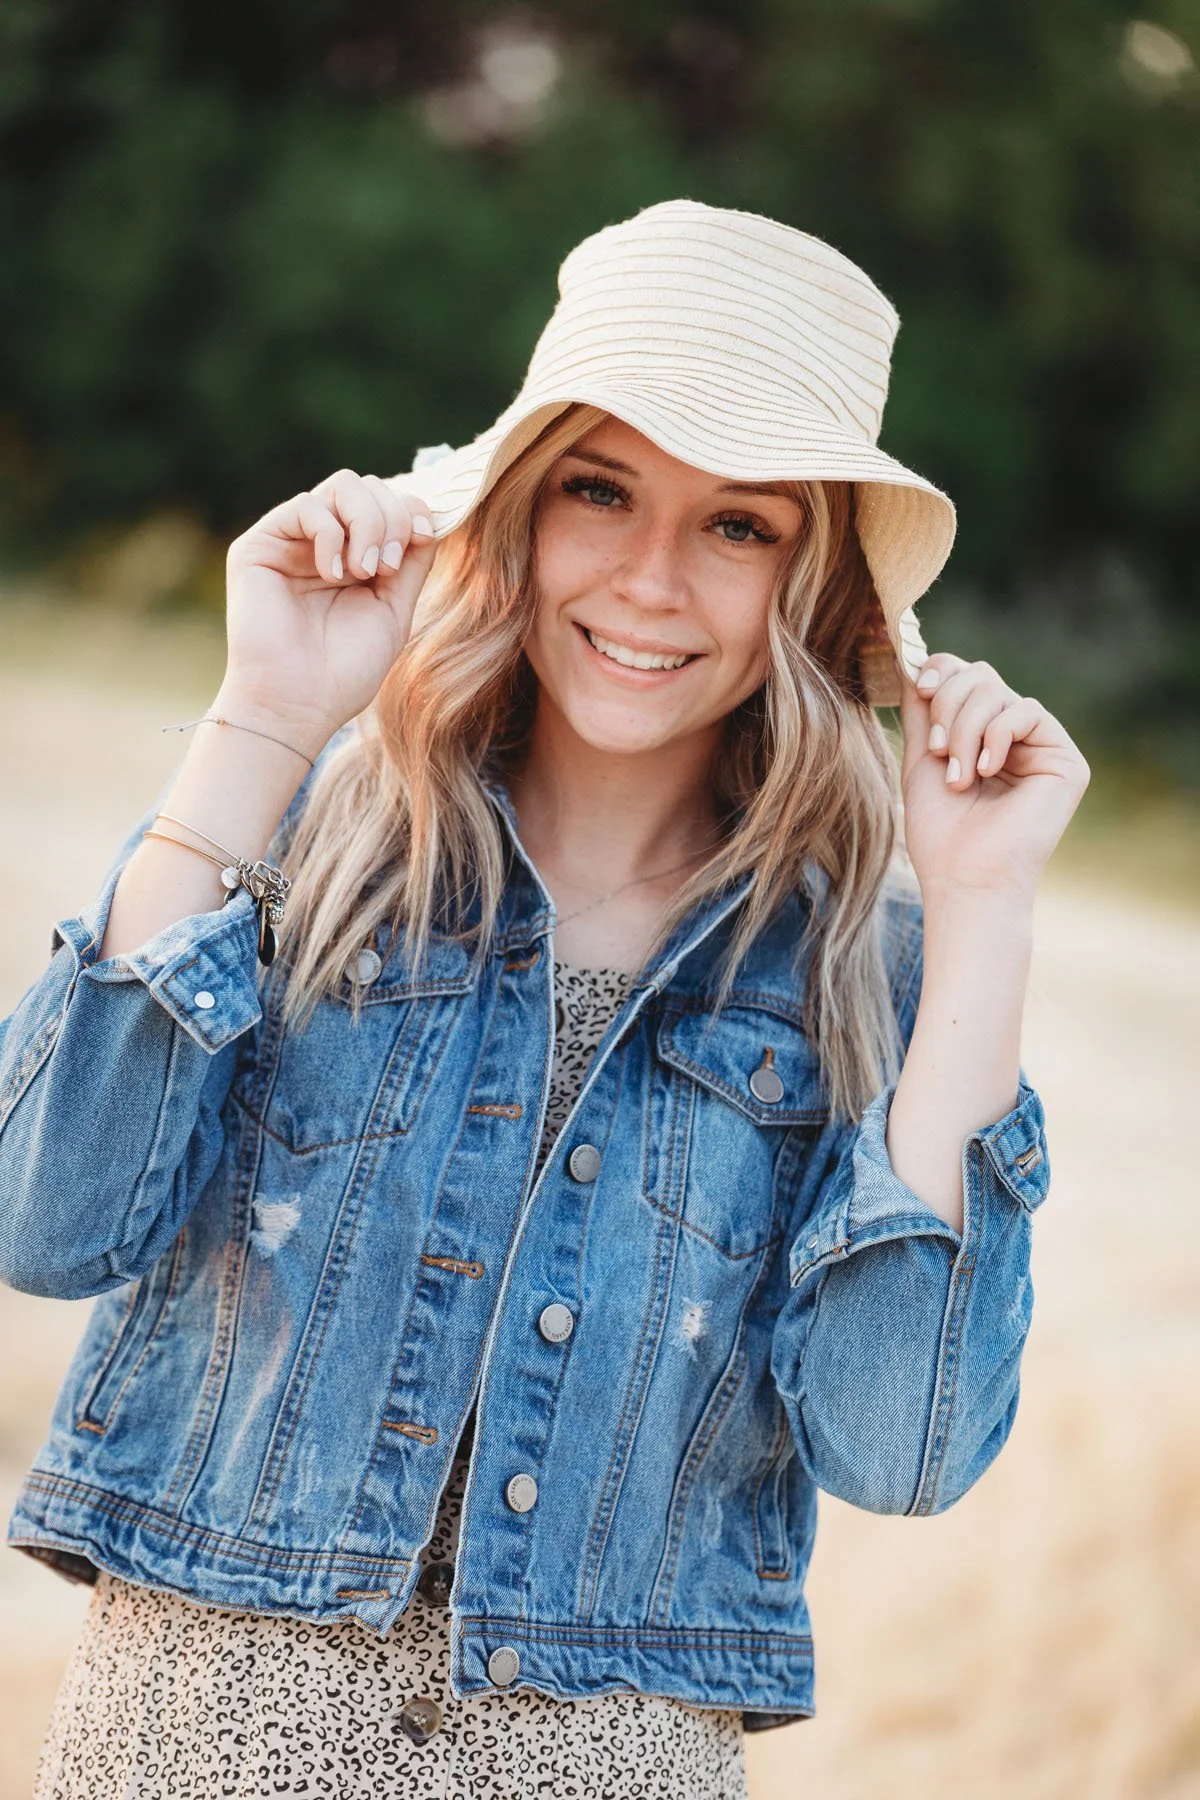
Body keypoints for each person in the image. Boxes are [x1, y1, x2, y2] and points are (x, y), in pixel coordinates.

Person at [0, 200, 1088, 1798]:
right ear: (515, 510)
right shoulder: (300, 849)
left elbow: (899, 1450)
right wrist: (264, 711)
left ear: (813, 581)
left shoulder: (879, 975)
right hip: (196, 1749)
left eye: (740, 525)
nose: (652, 580)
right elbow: (43, 1214)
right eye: (601, 491)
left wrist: (984, 909)